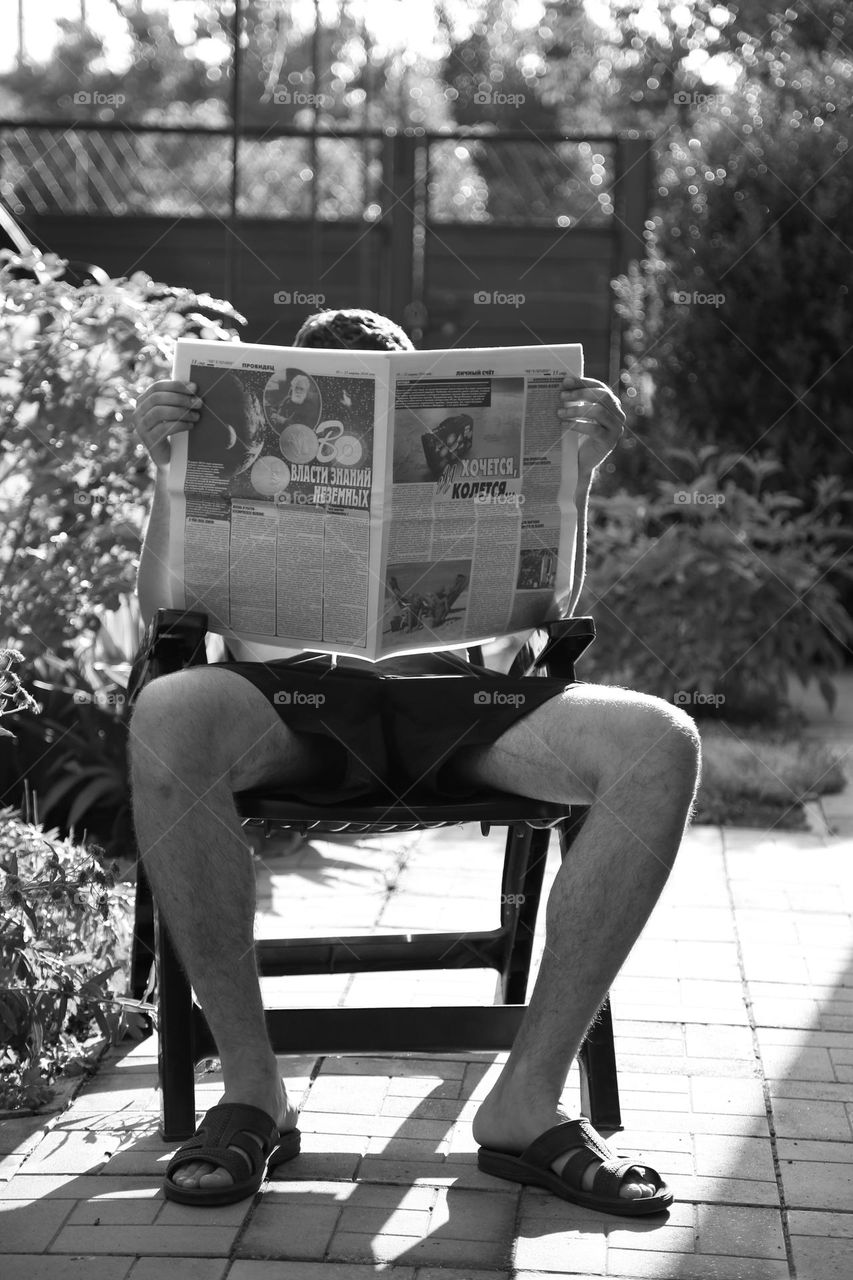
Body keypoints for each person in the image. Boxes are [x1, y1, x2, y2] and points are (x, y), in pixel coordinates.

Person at [130, 307, 701, 1214]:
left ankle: (527, 1100)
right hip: (291, 708)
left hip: (457, 703)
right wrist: (169, 481)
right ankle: (251, 1092)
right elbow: (162, 624)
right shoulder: (236, 454)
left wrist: (576, 481)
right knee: (166, 705)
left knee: (660, 740)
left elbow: (542, 611)